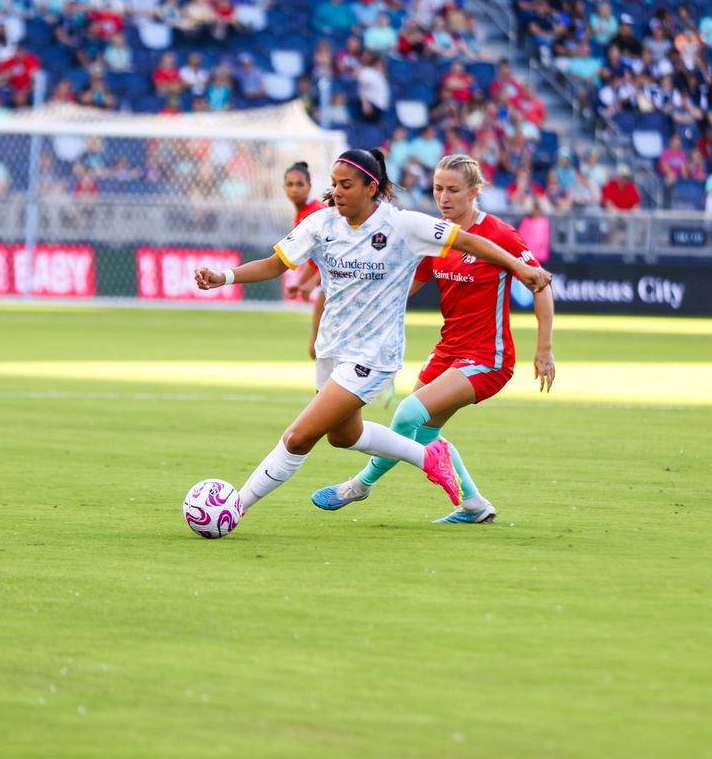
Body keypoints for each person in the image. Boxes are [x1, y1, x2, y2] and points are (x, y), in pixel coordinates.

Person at [193, 148, 552, 519]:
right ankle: (431, 458)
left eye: (346, 185)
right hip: (334, 349)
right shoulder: (321, 224)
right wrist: (225, 277)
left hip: (373, 356)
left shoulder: (404, 225)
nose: (338, 191)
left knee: (300, 437)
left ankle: (233, 508)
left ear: (371, 187)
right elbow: (274, 264)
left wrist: (516, 267)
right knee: (342, 436)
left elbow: (468, 240)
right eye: (334, 184)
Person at [311, 154, 555, 524]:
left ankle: (359, 486)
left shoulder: (499, 236)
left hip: (488, 357)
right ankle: (473, 505)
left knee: (408, 413)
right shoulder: (436, 236)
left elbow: (540, 284)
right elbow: (399, 290)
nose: (444, 197)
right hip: (447, 351)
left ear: (475, 192)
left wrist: (544, 349)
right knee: (423, 434)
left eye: (453, 190)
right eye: (438, 188)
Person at [281, 161, 327, 359]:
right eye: (289, 184)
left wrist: (309, 283)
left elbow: (330, 257)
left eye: (299, 184)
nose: (294, 189)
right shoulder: (302, 214)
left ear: (309, 186)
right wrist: (300, 284)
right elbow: (314, 259)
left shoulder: (316, 212)